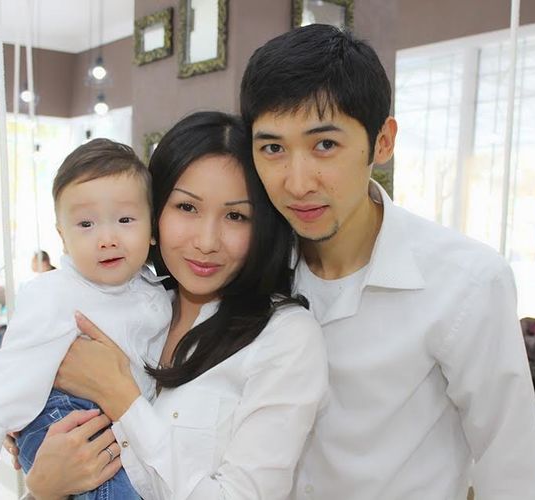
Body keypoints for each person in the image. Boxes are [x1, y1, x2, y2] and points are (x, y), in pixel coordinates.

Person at [239, 24, 535, 499]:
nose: (297, 183)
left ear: (382, 141)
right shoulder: (253, 268)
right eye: (273, 148)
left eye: (325, 145)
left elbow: (510, 471)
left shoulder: (467, 282)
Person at [17, 112, 327, 500]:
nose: (207, 241)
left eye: (236, 216)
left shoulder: (285, 336)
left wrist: (120, 394)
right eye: (187, 208)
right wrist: (42, 487)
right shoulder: (133, 309)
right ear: (152, 213)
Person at [0, 139, 173, 500]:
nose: (107, 238)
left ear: (151, 228)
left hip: (118, 425)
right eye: (86, 224)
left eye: (125, 220)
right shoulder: (53, 293)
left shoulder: (155, 292)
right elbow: (13, 365)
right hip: (64, 418)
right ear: (62, 236)